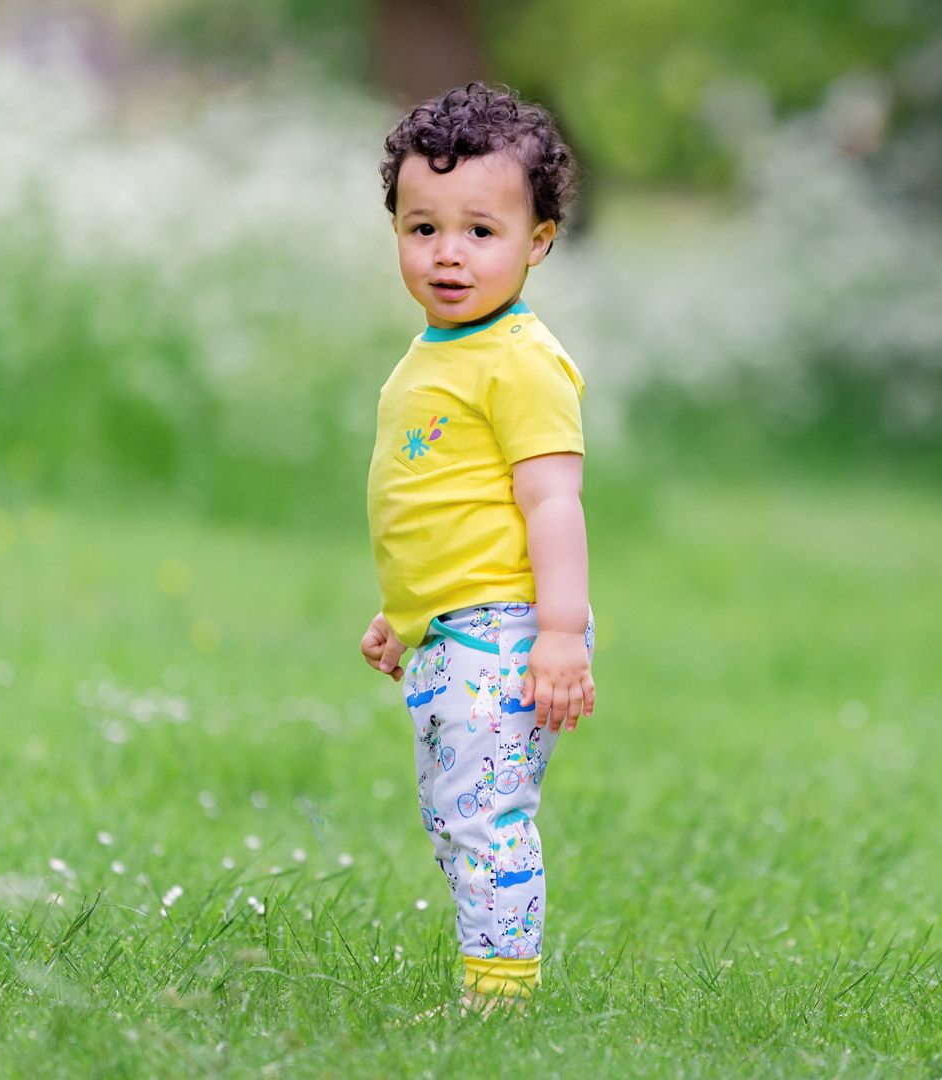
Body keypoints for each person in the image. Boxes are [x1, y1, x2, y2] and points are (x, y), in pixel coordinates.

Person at [360, 83, 596, 1013]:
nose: (448, 254)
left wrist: (561, 631)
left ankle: (501, 993)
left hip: (510, 628)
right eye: (424, 229)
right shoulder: (436, 352)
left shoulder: (520, 361)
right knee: (454, 816)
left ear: (537, 242)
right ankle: (492, 973)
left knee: (485, 817)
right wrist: (403, 612)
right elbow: (446, 505)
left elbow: (552, 504)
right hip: (456, 627)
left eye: (480, 232)